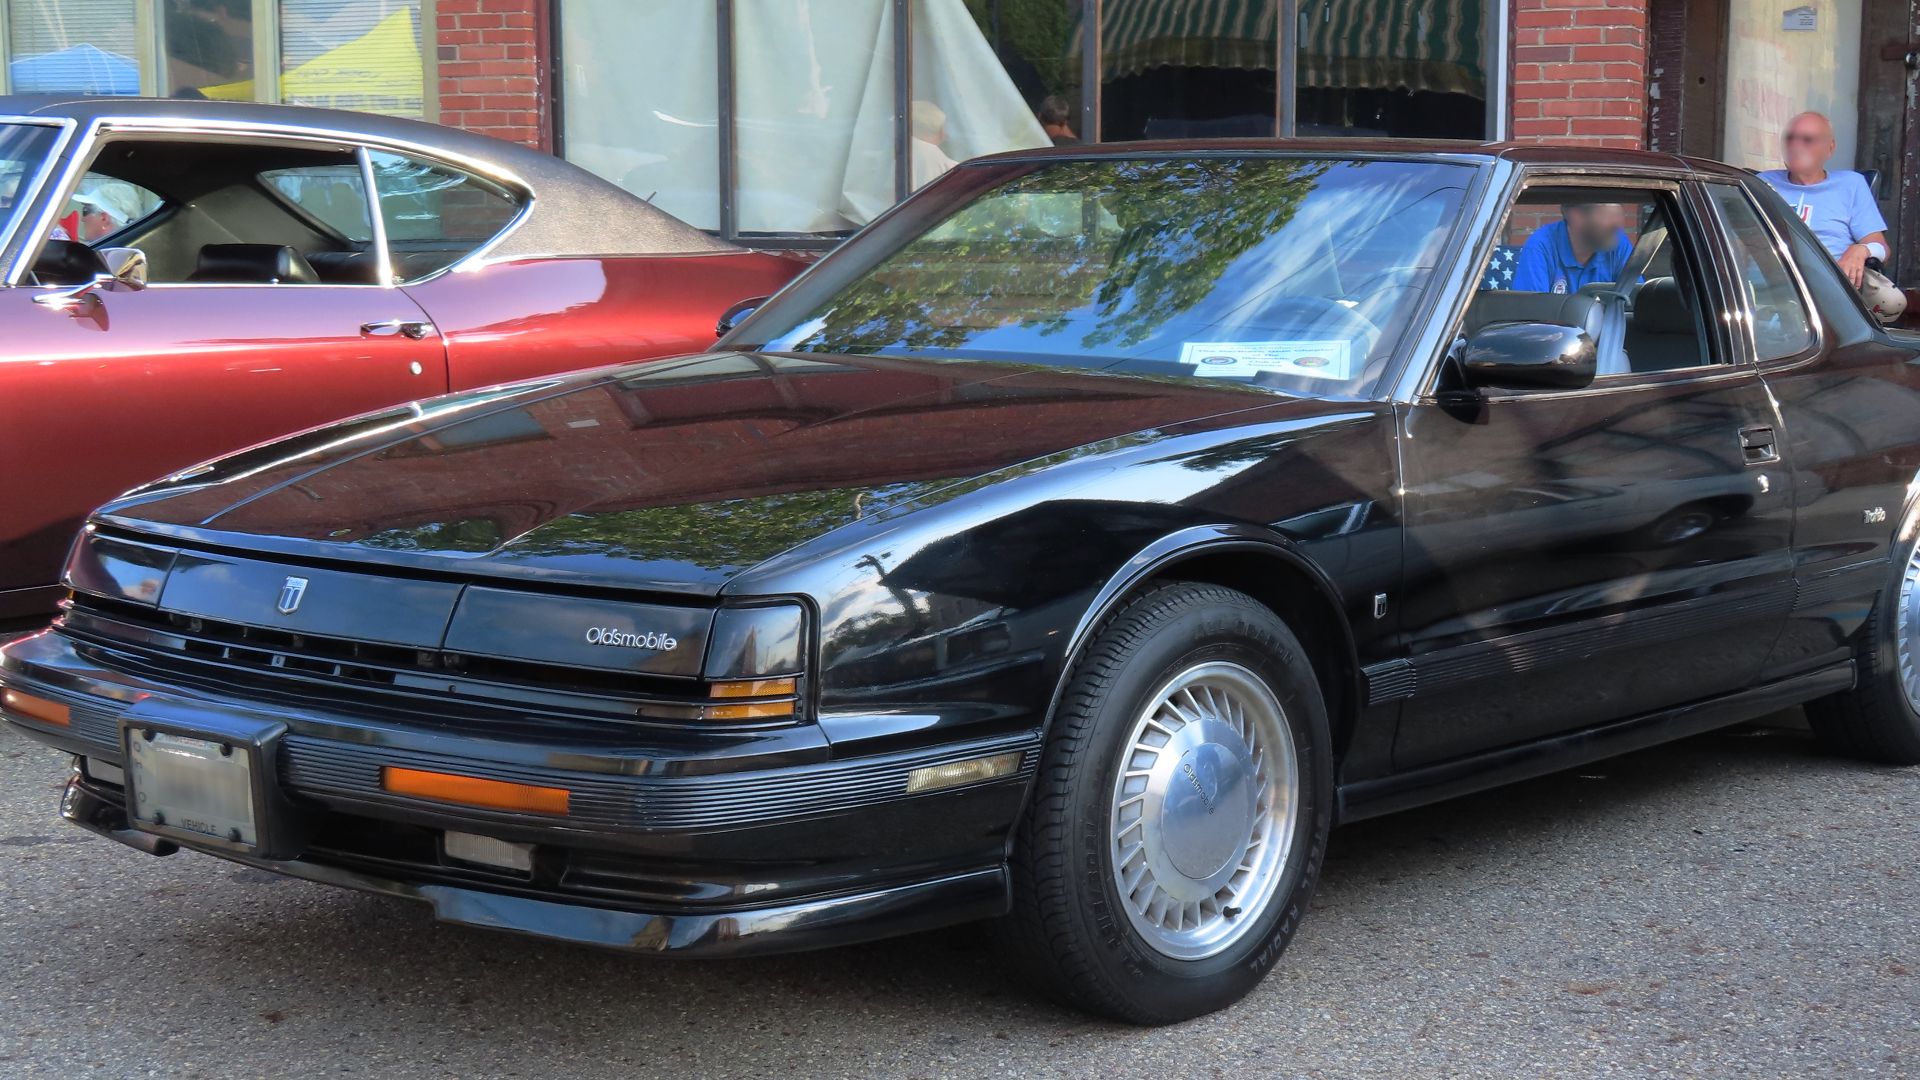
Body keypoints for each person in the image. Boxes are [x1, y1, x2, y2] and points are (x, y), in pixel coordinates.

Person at [1759, 112, 1889, 290]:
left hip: (1829, 291)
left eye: (1807, 139)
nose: (1795, 146)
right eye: (1790, 138)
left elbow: (1882, 249)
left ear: (1830, 148)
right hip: (1769, 288)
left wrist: (1861, 250)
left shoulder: (1850, 184)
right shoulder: (1762, 183)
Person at [1512, 202, 1634, 294]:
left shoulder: (1618, 243)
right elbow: (1530, 315)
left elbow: (1635, 303)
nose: (1617, 225)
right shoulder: (1540, 247)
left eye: (1619, 215)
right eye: (1607, 215)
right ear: (1575, 216)